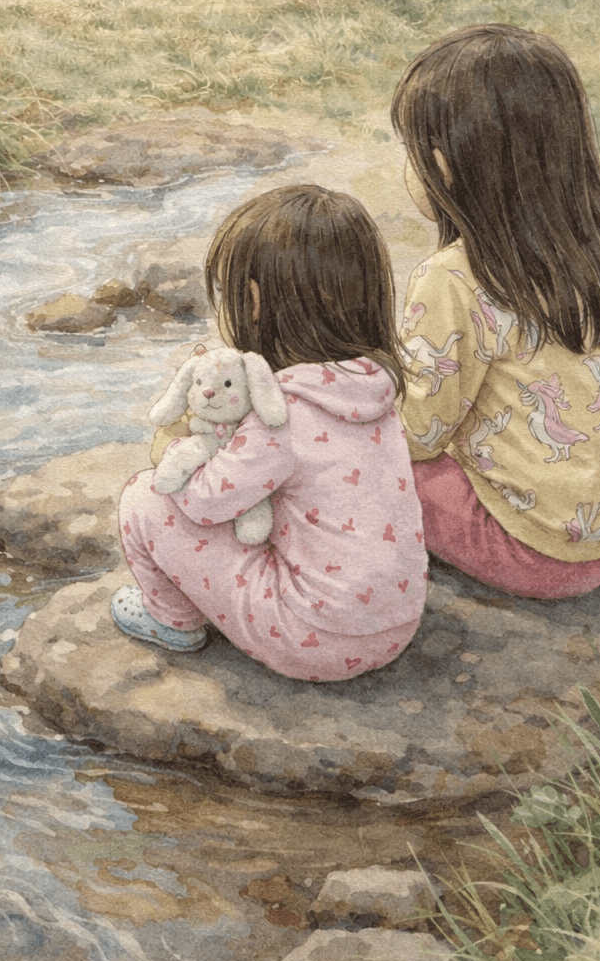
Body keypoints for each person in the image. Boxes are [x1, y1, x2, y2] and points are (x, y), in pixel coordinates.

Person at [112, 185, 428, 680]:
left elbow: (205, 503)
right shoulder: (373, 389)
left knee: (144, 498)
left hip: (313, 638)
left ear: (253, 301)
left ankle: (172, 621)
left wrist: (175, 448)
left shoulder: (281, 412)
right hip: (394, 627)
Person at [392, 24, 600, 596]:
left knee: (359, 450)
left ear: (443, 165)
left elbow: (416, 435)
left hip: (535, 552)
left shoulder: (453, 278)